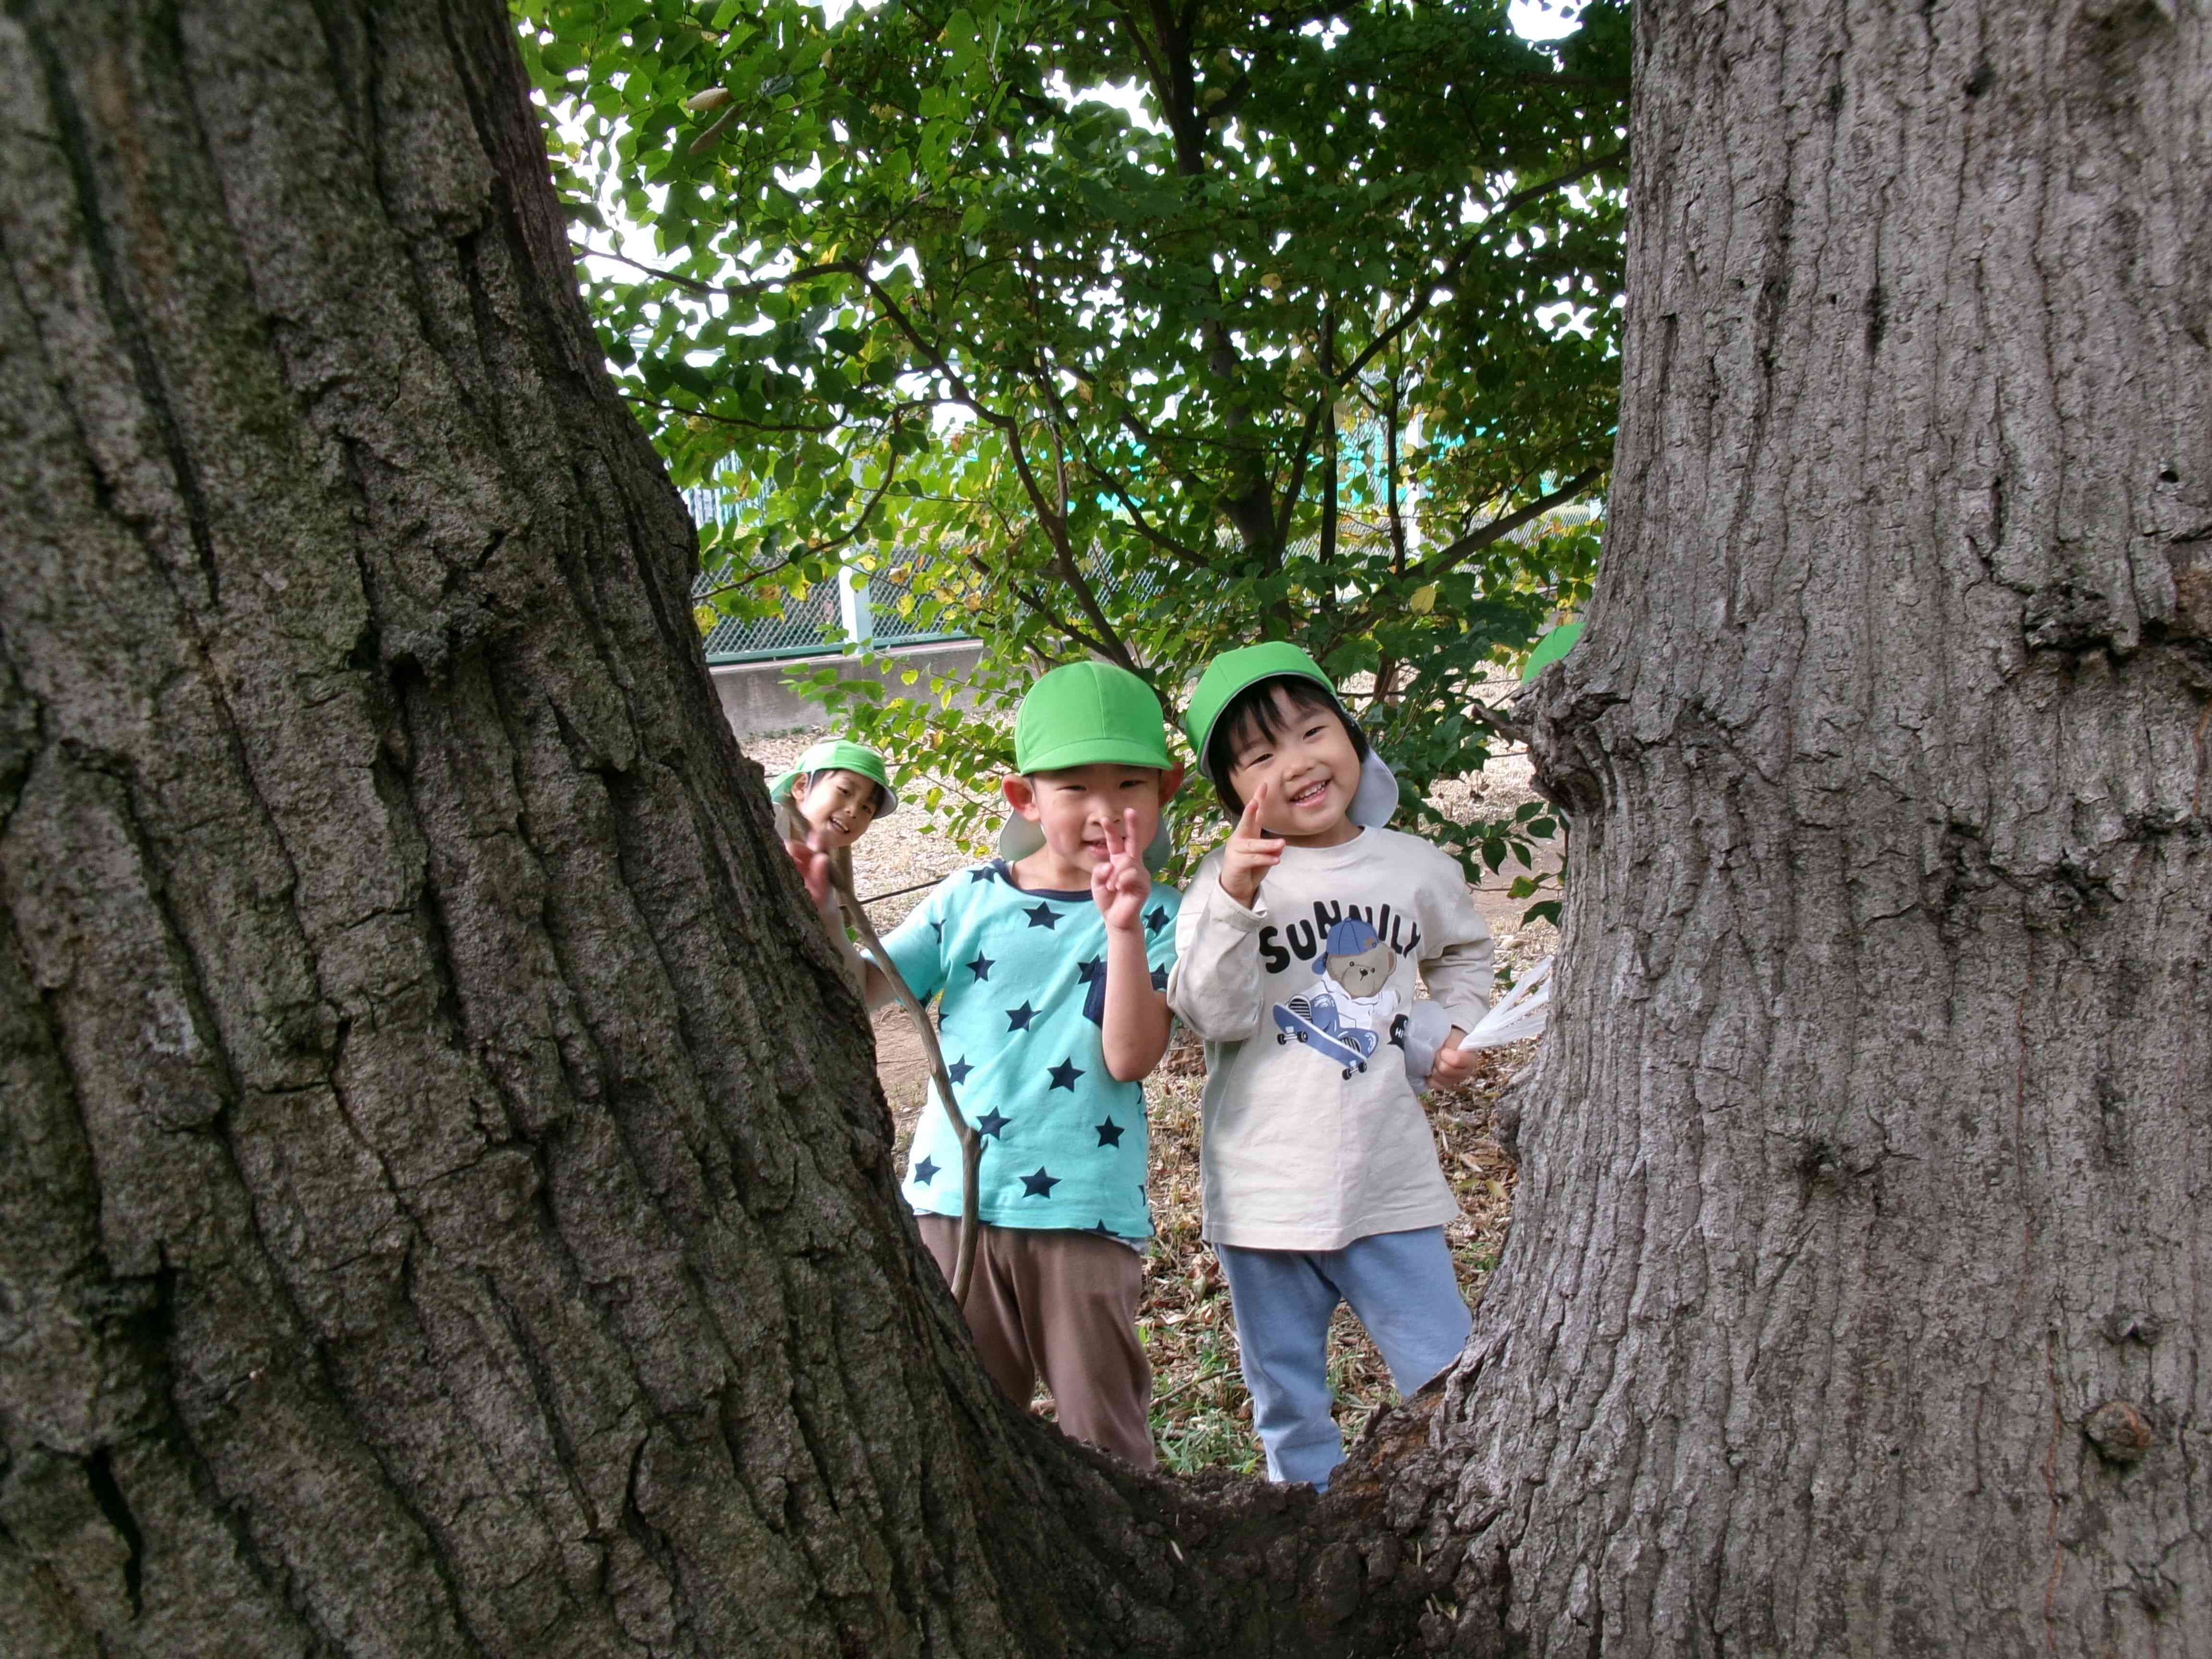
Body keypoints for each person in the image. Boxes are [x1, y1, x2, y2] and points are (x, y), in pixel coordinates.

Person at [1167, 641, 1492, 1491]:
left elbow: (1463, 954)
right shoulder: (1222, 884)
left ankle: (1465, 1498)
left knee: (1446, 1367)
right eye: (1259, 756)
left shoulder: (1414, 866)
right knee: (1285, 1395)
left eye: (1313, 730)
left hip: (1386, 1174)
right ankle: (1302, 1516)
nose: (1297, 763)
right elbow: (1206, 1011)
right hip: (1261, 1188)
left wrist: (1454, 1028)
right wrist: (1235, 900)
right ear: (1234, 791)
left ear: (1351, 735)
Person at [870, 661, 1184, 1469]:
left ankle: (1141, 1569)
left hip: (1080, 1209)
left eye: (1128, 784)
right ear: (1024, 799)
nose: (1105, 810)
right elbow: (871, 982)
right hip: (953, 1203)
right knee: (968, 1431)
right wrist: (808, 905)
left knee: (1105, 1435)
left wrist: (1120, 925)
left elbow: (1130, 1054)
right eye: (1072, 787)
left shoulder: (1167, 917)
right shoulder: (967, 898)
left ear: (1166, 790)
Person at [772, 739, 899, 995]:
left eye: (866, 808)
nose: (853, 811)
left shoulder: (822, 863)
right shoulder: (768, 823)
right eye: (845, 791)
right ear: (800, 787)